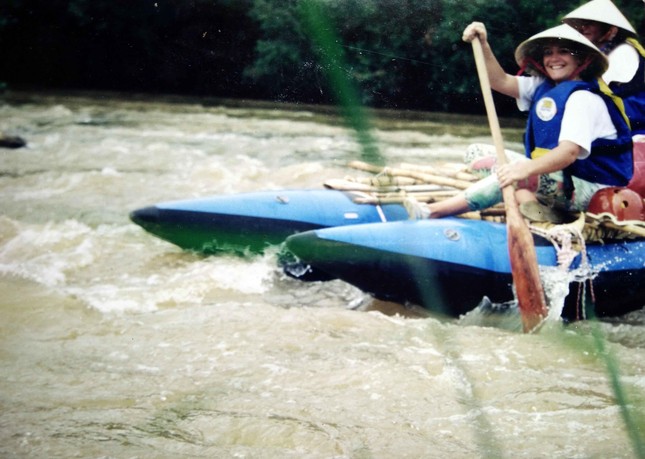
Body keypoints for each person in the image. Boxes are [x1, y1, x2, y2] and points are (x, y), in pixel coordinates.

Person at [414, 23, 633, 220]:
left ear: (582, 59)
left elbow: (569, 153)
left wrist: (523, 170)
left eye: (564, 52)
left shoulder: (583, 98)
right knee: (475, 153)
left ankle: (434, 211)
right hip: (563, 178)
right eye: (548, 53)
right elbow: (499, 81)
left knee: (514, 174)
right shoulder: (542, 86)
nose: (553, 59)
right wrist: (483, 45)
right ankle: (532, 204)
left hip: (594, 190)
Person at [563, 0, 645, 136]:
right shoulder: (599, 53)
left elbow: (600, 92)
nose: (584, 28)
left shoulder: (623, 51)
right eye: (582, 23)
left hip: (633, 125)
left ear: (610, 30)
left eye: (590, 23)